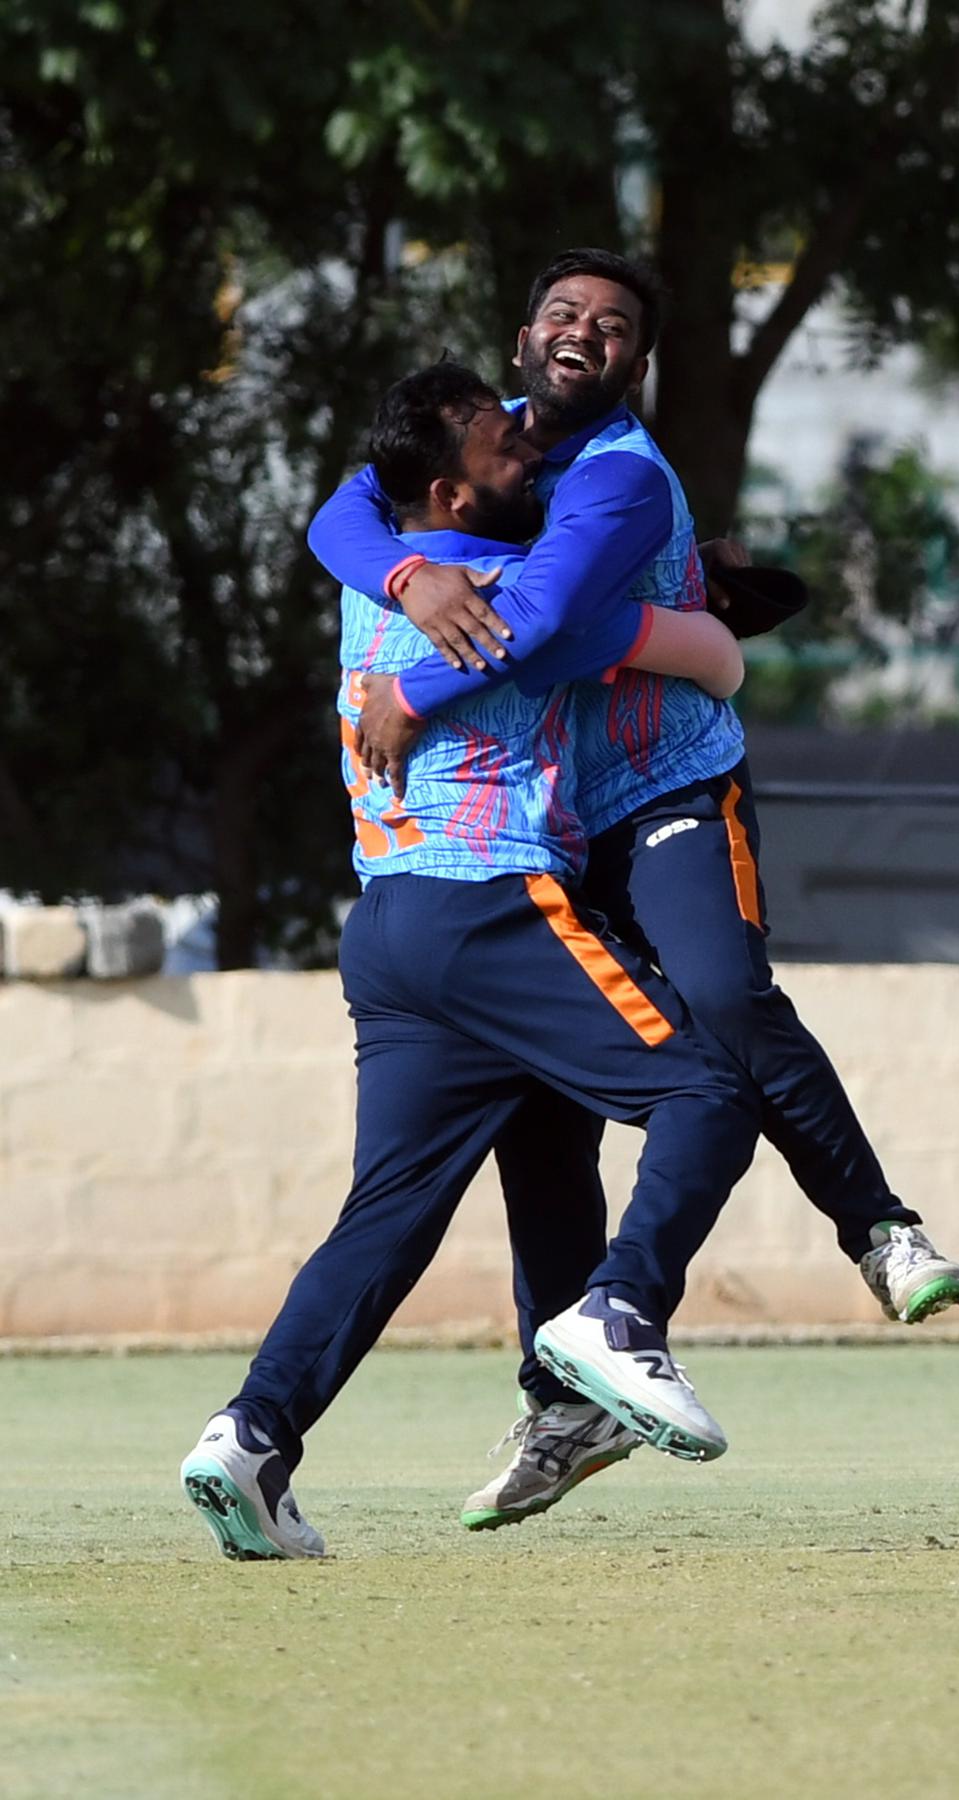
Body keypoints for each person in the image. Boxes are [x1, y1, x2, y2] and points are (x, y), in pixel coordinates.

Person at [308, 248, 959, 1531]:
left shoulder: (612, 472)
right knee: (540, 1123)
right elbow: (340, 513)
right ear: (521, 340)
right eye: (563, 312)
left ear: (637, 365)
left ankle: (876, 1229)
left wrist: (407, 686)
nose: (584, 331)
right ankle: (564, 1402)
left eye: (612, 325)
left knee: (723, 997)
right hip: (554, 831)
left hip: (663, 795)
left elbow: (550, 623)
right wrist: (407, 573)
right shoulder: (480, 446)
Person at [180, 362, 763, 1561]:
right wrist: (713, 626)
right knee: (708, 1088)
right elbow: (654, 640)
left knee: (397, 1212)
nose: (533, 452)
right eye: (507, 448)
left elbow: (347, 508)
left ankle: (250, 1436)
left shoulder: (379, 575)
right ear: (450, 488)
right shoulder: (498, 589)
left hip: (390, 927)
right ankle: (618, 1315)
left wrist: (405, 569)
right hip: (490, 902)